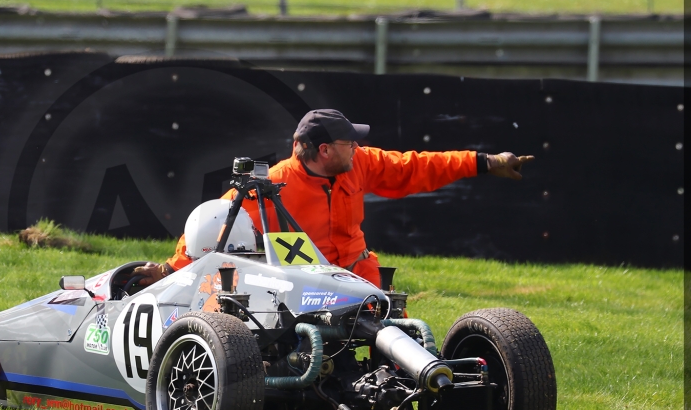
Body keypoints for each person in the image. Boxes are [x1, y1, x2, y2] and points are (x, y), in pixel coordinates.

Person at [134, 109, 532, 288]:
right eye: (349, 142)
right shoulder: (271, 185)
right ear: (324, 151)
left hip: (363, 282)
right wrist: (171, 270)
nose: (358, 147)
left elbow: (417, 166)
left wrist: (485, 162)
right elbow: (218, 224)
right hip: (304, 289)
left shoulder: (359, 164)